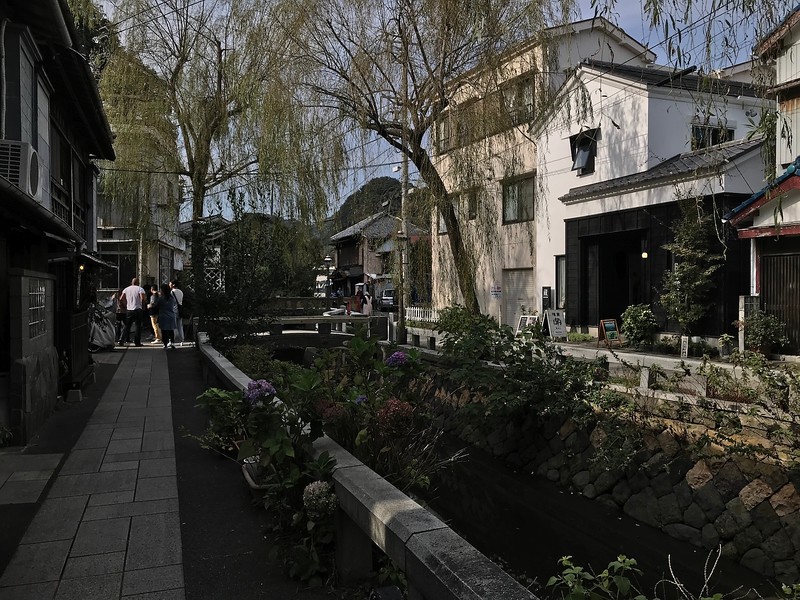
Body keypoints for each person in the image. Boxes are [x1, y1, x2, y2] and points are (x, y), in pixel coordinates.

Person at [119, 277, 147, 347]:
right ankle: (137, 342)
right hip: (138, 309)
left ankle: (121, 340)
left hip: (129, 309)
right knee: (138, 326)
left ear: (131, 282)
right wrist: (143, 305)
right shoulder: (140, 289)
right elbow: (142, 298)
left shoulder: (126, 289)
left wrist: (125, 305)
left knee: (127, 326)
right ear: (138, 282)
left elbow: (121, 298)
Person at [154, 283, 177, 349]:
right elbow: (174, 304)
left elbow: (156, 306)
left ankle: (165, 344)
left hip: (163, 316)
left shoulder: (161, 299)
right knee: (171, 330)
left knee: (164, 331)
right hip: (171, 316)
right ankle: (172, 342)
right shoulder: (172, 298)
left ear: (163, 290)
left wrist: (150, 306)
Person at [169, 280, 185, 345]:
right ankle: (182, 340)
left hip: (174, 310)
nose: (169, 285)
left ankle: (173, 340)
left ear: (173, 285)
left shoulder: (172, 292)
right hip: (180, 310)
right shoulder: (181, 292)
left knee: (173, 326)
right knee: (180, 326)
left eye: (170, 284)